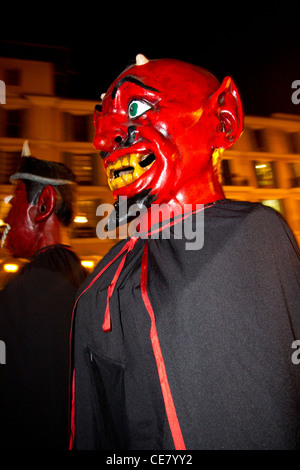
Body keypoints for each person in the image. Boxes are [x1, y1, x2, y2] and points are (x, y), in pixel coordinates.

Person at [70, 55, 300, 450]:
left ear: (224, 118)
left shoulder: (251, 236)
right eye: (100, 122)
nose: (104, 140)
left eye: (137, 108)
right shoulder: (109, 272)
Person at [0, 143, 87, 450]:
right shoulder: (92, 284)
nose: (6, 218)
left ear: (44, 205)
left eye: (14, 202)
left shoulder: (23, 292)